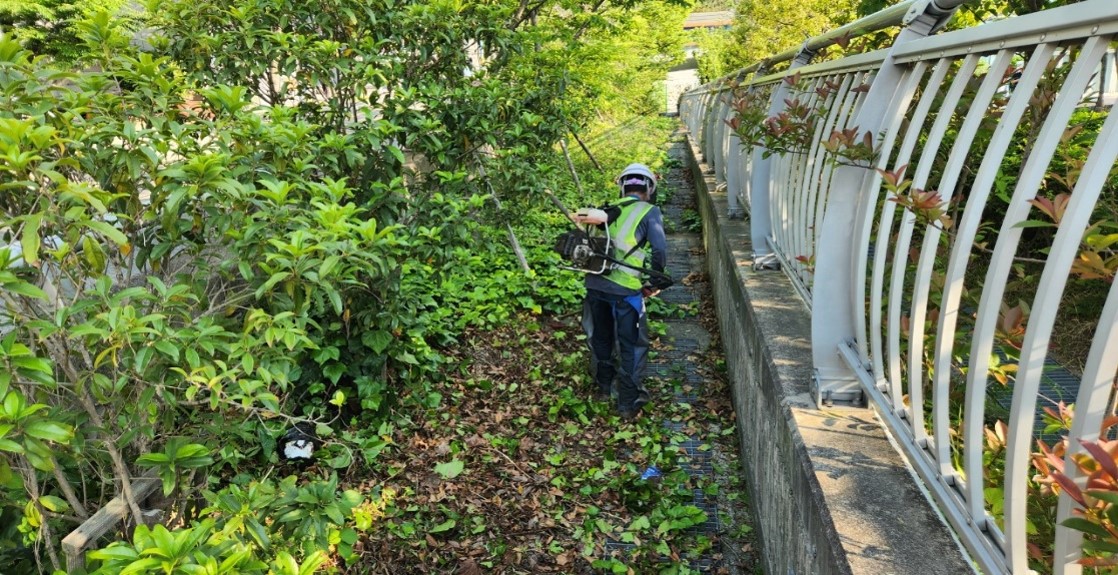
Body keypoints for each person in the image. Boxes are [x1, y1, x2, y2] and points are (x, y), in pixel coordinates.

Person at [579, 163, 672, 421]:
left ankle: (603, 389)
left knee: (601, 337)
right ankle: (627, 404)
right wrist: (655, 283)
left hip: (596, 285)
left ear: (622, 187)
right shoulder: (650, 211)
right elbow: (660, 251)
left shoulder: (607, 210)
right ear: (649, 188)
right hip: (627, 292)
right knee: (631, 345)